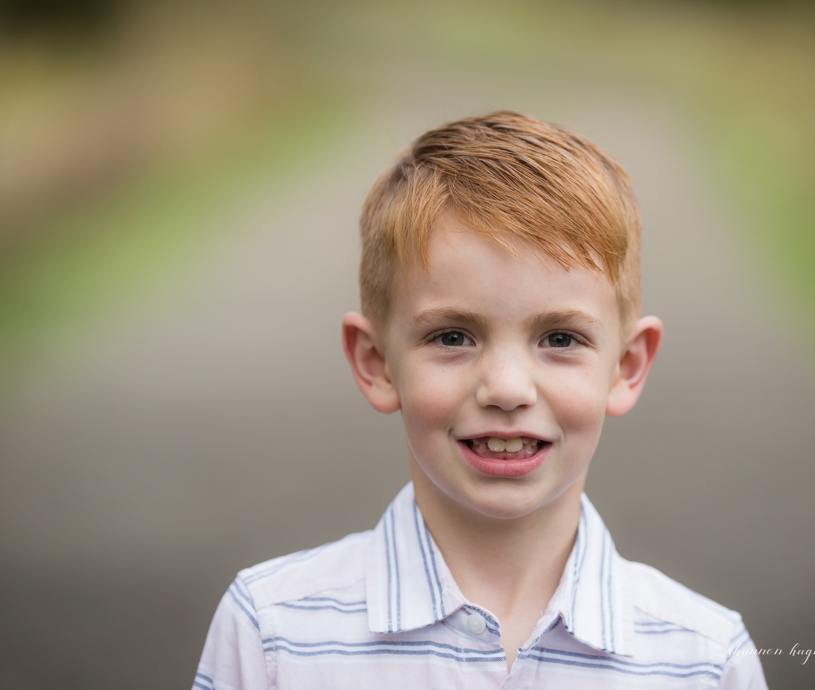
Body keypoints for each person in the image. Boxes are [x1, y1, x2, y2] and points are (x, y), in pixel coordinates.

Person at [192, 111, 767, 688]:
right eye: (452, 337)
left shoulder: (705, 660)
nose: (508, 390)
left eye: (560, 339)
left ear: (626, 366)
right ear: (375, 363)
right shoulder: (273, 634)